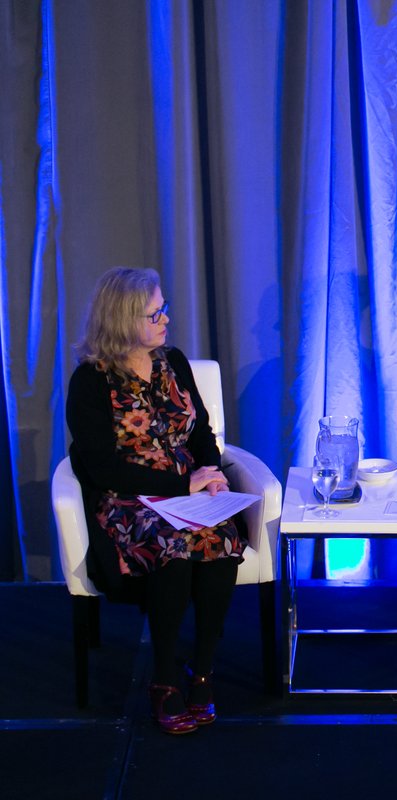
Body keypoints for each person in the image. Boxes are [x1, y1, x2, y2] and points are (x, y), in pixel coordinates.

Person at [66, 267, 244, 735]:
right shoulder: (90, 381)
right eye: (155, 313)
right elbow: (103, 467)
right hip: (128, 500)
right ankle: (164, 678)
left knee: (221, 540)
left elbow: (202, 433)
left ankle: (202, 670)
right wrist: (182, 483)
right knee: (176, 546)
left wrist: (211, 477)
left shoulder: (175, 362)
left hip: (186, 491)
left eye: (164, 308)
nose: (166, 319)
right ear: (124, 321)